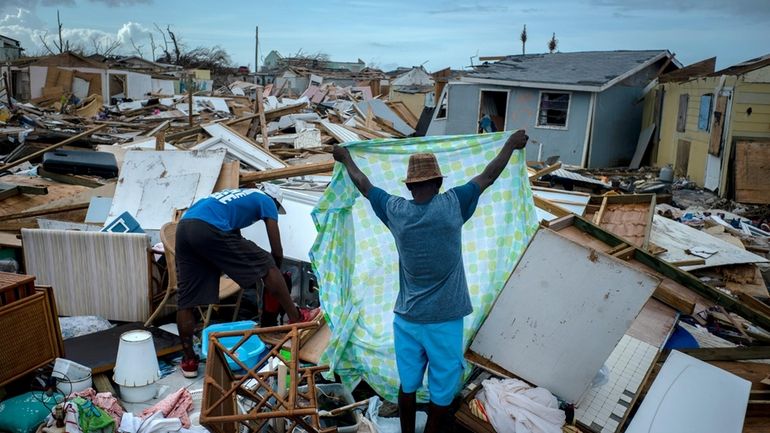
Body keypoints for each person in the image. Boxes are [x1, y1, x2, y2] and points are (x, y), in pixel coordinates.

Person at [332, 130, 528, 433]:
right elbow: (488, 176)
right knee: (441, 391)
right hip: (445, 322)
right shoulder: (453, 205)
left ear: (410, 187)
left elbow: (365, 186)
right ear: (438, 183)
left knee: (407, 386)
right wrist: (510, 145)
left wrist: (346, 158)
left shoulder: (396, 211)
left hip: (407, 320)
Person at [174, 184, 319, 378]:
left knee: (186, 298)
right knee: (267, 262)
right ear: (275, 201)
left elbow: (234, 245)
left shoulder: (236, 195)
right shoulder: (266, 200)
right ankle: (297, 317)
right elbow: (276, 248)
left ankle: (189, 360)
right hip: (208, 228)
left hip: (184, 227)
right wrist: (273, 271)